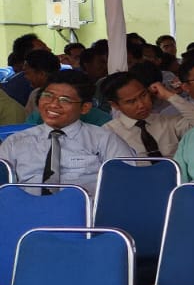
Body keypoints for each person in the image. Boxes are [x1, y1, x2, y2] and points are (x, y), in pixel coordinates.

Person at [0, 70, 134, 196]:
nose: (53, 105)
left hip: (84, 211)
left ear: (85, 108)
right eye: (47, 96)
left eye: (65, 100)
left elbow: (127, 183)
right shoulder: (15, 142)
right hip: (27, 210)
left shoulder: (105, 140)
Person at [102, 68, 194, 158]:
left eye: (143, 95)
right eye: (131, 101)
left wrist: (169, 96)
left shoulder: (168, 122)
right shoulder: (109, 133)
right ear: (114, 105)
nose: (141, 105)